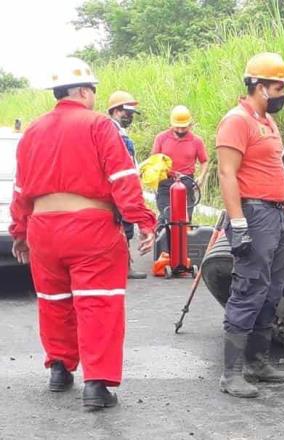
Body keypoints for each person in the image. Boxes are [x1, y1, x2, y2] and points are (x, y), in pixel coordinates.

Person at [9, 57, 157, 410]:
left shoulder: (32, 131)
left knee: (54, 302)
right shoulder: (99, 126)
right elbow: (122, 179)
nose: (93, 96)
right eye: (92, 90)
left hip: (43, 231)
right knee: (98, 302)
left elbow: (20, 190)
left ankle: (59, 370)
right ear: (81, 91)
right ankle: (96, 386)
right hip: (90, 229)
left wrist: (19, 231)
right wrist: (143, 220)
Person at [214, 52, 284, 398]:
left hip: (275, 213)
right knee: (249, 288)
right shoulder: (237, 121)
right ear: (259, 87)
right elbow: (226, 173)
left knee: (271, 290)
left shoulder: (267, 122)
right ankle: (231, 373)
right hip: (254, 214)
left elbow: (273, 171)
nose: (282, 93)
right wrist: (239, 222)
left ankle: (257, 362)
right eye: (278, 87)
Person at [107, 90, 147, 279]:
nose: (130, 117)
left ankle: (124, 265)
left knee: (125, 228)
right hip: (120, 190)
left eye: (131, 114)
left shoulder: (119, 132)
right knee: (124, 228)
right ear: (115, 111)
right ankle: (123, 267)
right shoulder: (112, 133)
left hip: (123, 188)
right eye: (127, 113)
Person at [151, 105, 208, 224]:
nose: (181, 131)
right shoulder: (161, 138)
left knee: (185, 221)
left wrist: (201, 176)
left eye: (184, 127)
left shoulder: (196, 141)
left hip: (186, 183)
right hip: (165, 183)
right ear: (171, 124)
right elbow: (153, 161)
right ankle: (162, 240)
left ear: (190, 125)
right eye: (177, 127)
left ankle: (184, 242)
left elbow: (204, 161)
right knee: (167, 219)